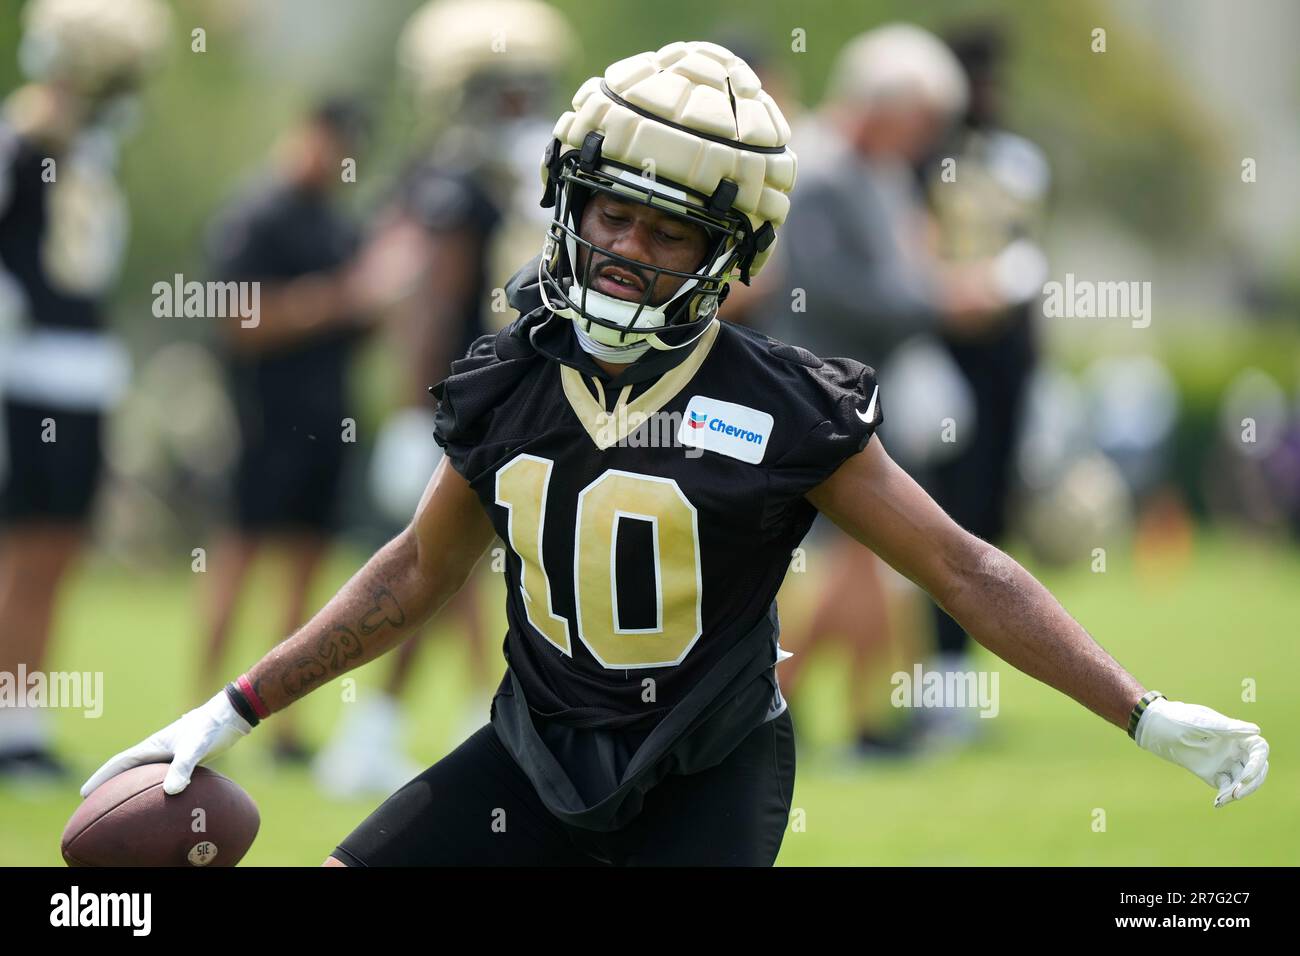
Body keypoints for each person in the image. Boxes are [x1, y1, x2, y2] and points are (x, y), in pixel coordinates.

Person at [81, 42, 1270, 867]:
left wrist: (1138, 708)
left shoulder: (784, 404)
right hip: (531, 753)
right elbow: (409, 574)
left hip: (704, 770)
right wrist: (232, 709)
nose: (625, 248)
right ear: (566, 204)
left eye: (666, 229)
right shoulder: (509, 375)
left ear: (726, 252)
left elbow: (963, 569)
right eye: (610, 213)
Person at [312, 0, 575, 797]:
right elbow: (434, 298)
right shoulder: (499, 173)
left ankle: (436, 721)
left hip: (491, 394)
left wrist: (409, 403)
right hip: (503, 397)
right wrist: (411, 410)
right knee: (458, 568)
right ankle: (382, 730)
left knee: (463, 568)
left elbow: (436, 301)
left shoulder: (474, 174)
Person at [0, 0, 171, 780]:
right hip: (27, 369)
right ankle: (9, 726)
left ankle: (23, 724)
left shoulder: (91, 149)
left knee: (59, 551)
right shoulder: (22, 139)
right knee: (27, 552)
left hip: (82, 375)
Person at [199, 96, 379, 765]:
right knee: (237, 562)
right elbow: (237, 320)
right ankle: (199, 708)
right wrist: (334, 301)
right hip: (261, 420)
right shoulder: (255, 215)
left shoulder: (338, 225)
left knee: (306, 575)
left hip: (327, 420)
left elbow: (359, 321)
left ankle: (282, 726)